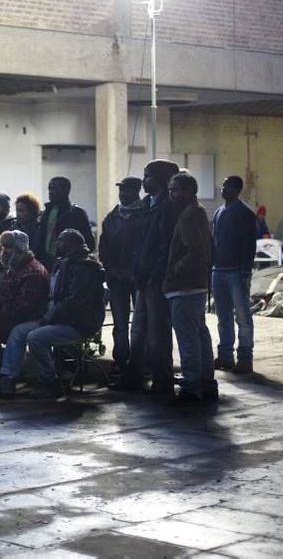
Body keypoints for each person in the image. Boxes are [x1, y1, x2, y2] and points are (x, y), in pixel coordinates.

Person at [0, 229, 104, 399]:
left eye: (61, 240)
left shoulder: (84, 268)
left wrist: (47, 318)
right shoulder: (65, 263)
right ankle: (7, 379)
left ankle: (50, 381)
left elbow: (72, 302)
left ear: (74, 244)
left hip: (78, 323)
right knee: (18, 332)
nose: (56, 244)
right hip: (58, 319)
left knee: (36, 337)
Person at [115, 159, 180, 397]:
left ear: (161, 179)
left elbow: (164, 246)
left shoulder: (167, 206)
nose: (144, 181)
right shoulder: (149, 204)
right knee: (139, 330)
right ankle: (134, 375)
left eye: (148, 176)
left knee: (158, 333)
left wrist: (154, 274)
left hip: (155, 278)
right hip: (143, 277)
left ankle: (163, 380)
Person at [0, 230, 49, 383]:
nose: (4, 253)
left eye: (9, 248)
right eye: (3, 248)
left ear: (19, 249)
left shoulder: (32, 271)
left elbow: (26, 306)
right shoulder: (14, 268)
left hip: (31, 318)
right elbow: (4, 297)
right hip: (11, 315)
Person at [164, 172, 216, 404]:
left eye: (175, 190)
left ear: (188, 192)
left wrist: (175, 270)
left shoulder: (187, 216)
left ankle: (192, 385)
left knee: (188, 338)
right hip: (197, 285)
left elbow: (195, 252)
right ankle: (206, 381)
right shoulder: (199, 211)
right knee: (199, 335)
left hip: (184, 287)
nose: (171, 194)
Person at [98, 177, 146, 370]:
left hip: (138, 278)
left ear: (137, 192)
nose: (123, 194)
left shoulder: (145, 215)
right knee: (120, 323)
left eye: (127, 190)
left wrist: (135, 271)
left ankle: (139, 362)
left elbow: (145, 247)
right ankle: (121, 360)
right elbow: (104, 248)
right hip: (116, 278)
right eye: (121, 191)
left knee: (141, 323)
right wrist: (112, 270)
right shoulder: (111, 218)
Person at [212, 176, 258, 375]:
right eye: (222, 185)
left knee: (242, 317)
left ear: (237, 189)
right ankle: (225, 356)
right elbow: (214, 242)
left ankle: (245, 358)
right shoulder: (218, 212)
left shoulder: (245, 214)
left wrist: (245, 272)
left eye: (227, 186)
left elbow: (249, 245)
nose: (223, 189)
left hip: (236, 272)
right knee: (223, 317)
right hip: (218, 271)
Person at [35, 177, 95, 270]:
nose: (50, 192)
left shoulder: (77, 213)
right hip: (46, 263)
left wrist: (73, 259)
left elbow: (89, 242)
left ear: (66, 190)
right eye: (49, 189)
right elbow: (41, 238)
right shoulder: (46, 213)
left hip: (69, 265)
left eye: (54, 188)